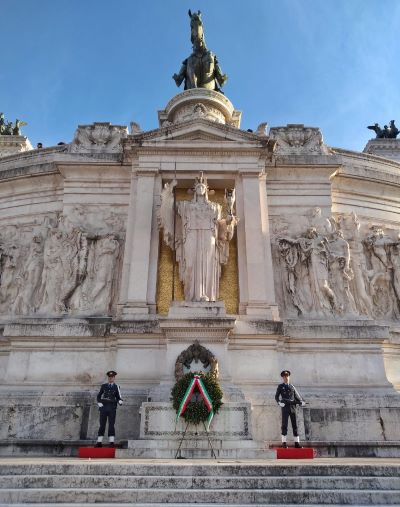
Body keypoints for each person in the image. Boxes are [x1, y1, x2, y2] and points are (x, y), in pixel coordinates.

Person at [275, 370, 305, 448]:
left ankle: (297, 443)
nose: (286, 377)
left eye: (287, 376)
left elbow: (297, 396)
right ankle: (284, 443)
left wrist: (301, 402)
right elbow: (276, 396)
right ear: (282, 377)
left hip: (292, 408)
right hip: (285, 408)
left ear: (289, 377)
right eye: (284, 376)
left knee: (295, 425)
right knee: (284, 425)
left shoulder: (292, 387)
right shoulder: (280, 386)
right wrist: (279, 402)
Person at [95, 370, 123, 447]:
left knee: (111, 425)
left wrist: (120, 401)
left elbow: (119, 397)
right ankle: (99, 442)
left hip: (112, 408)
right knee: (102, 425)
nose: (111, 378)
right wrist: (99, 403)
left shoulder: (116, 387)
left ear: (114, 378)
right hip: (103, 408)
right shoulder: (104, 386)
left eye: (112, 377)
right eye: (109, 377)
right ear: (108, 378)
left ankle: (111, 442)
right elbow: (99, 396)